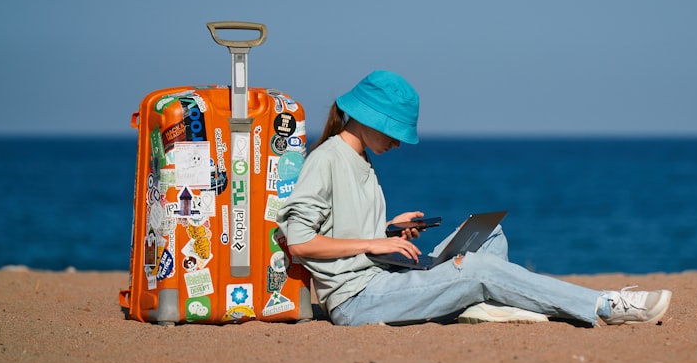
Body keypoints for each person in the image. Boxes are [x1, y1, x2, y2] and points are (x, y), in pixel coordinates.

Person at [277, 70, 672, 326]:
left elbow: (339, 226)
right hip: (358, 299)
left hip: (384, 276)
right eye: (393, 131)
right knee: (479, 270)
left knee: (489, 235)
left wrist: (389, 228)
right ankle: (605, 305)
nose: (397, 142)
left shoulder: (359, 158)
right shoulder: (327, 158)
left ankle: (473, 306)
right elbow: (301, 241)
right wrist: (374, 241)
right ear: (366, 118)